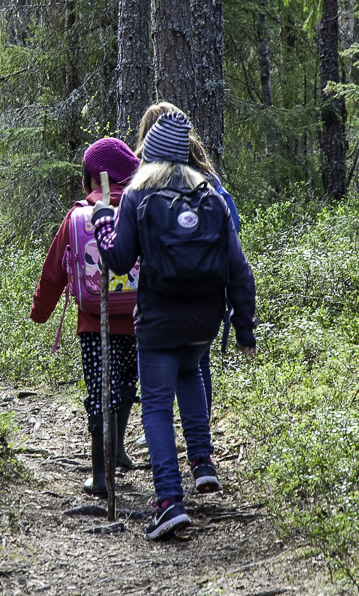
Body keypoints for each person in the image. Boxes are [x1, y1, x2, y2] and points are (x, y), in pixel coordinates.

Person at [91, 108, 257, 540]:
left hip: (159, 323)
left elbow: (119, 260)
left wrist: (104, 221)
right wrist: (243, 328)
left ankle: (168, 500)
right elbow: (240, 270)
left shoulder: (136, 196)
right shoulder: (211, 195)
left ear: (150, 154)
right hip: (203, 323)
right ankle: (201, 462)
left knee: (158, 409)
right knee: (189, 375)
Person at [29, 137, 141, 496]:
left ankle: (100, 473)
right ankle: (119, 449)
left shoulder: (79, 214)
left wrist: (40, 312)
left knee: (99, 391)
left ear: (92, 177)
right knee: (125, 383)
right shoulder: (143, 208)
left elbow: (53, 273)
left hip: (95, 323)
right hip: (141, 319)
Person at [134, 102, 241, 417]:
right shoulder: (209, 181)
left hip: (162, 291)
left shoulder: (144, 180)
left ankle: (161, 428)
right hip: (207, 290)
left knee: (162, 368)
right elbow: (232, 228)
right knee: (197, 363)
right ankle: (201, 432)